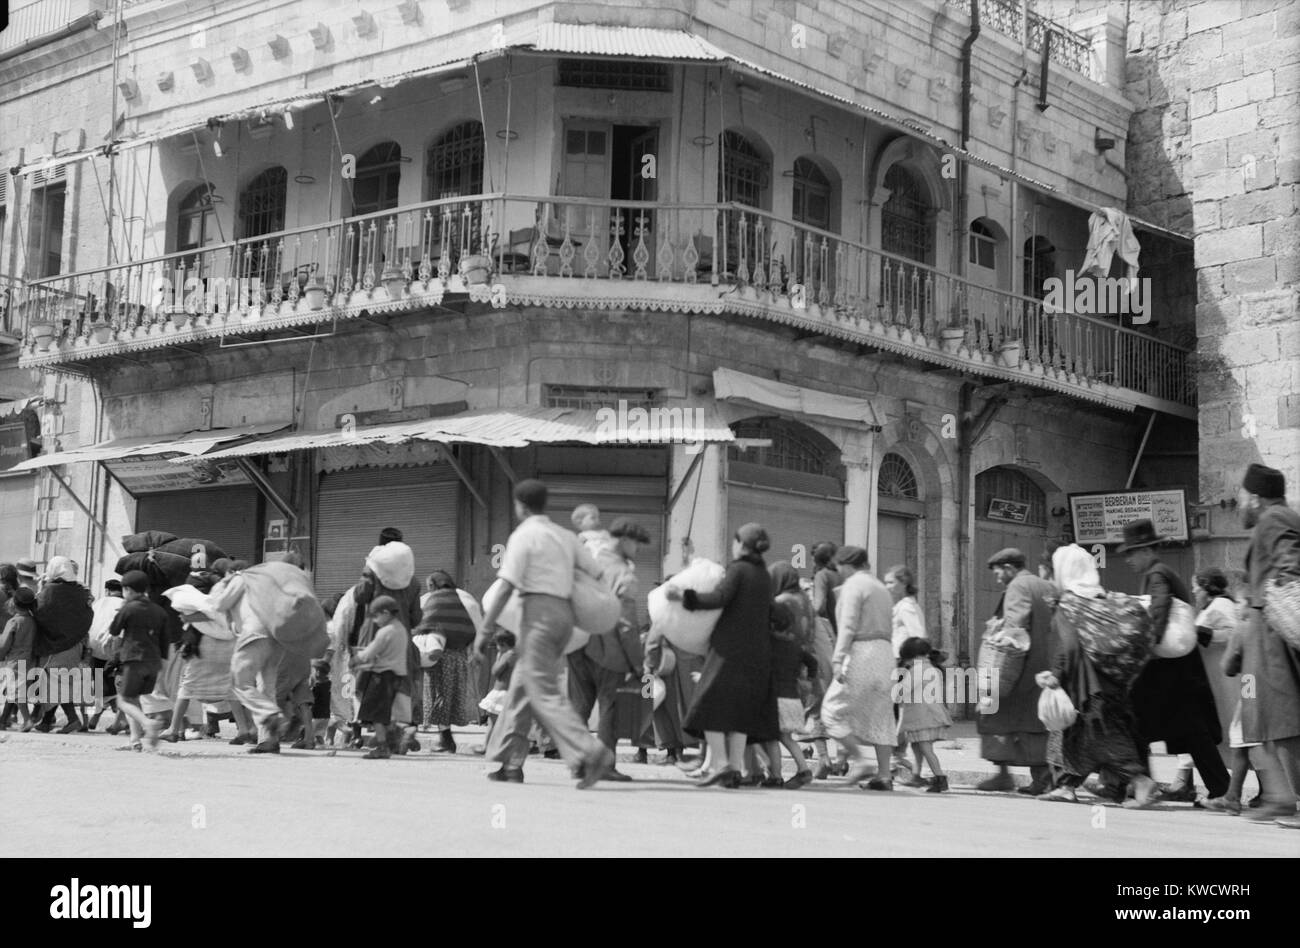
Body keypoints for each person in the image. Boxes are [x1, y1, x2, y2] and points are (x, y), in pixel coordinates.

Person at [477, 479, 615, 788]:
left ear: (520, 506)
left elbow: (506, 587)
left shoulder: (524, 536)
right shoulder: (566, 536)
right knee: (523, 688)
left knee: (543, 692)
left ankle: (590, 753)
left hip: (538, 617)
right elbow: (596, 572)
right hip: (565, 618)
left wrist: (485, 630)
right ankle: (511, 764)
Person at [1036, 544, 1160, 808]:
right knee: (1073, 737)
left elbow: (1068, 646)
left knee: (1102, 739)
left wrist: (1055, 675)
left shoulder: (1069, 603)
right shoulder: (1100, 598)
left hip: (1088, 687)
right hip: (1112, 683)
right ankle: (1066, 786)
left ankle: (1140, 781)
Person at [1120, 518, 1230, 803]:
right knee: (1190, 731)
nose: (1129, 559)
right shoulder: (1158, 572)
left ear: (1147, 550)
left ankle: (1143, 786)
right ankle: (1221, 789)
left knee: (1142, 723)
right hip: (1178, 671)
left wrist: (1147, 646)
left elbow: (1159, 608)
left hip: (1171, 672)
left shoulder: (1157, 574)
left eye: (1132, 552)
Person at [664, 524, 777, 789]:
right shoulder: (763, 575)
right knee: (740, 713)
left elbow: (720, 597)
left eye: (734, 542)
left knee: (708, 703)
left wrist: (684, 596)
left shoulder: (739, 569)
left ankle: (722, 765)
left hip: (731, 650)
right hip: (757, 652)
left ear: (740, 543)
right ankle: (735, 769)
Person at [1234, 463, 1300, 828]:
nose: (1238, 503)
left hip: (1273, 637)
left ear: (1255, 498)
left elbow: (1290, 562)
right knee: (1256, 715)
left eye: (1242, 497)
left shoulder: (1276, 519)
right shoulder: (1269, 521)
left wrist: (1286, 591)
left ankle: (1291, 798)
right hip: (1258, 641)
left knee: (1284, 718)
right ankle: (1280, 796)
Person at [976, 548, 1058, 795]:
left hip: (1017, 668)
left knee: (993, 713)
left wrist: (999, 638)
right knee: (1035, 723)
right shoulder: (1047, 586)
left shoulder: (1018, 587)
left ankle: (1003, 776)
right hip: (1044, 665)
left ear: (1010, 568)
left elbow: (1016, 629)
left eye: (999, 572)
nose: (997, 577)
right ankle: (1042, 779)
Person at [818, 545, 897, 790]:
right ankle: (884, 776)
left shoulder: (853, 586)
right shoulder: (881, 588)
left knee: (831, 712)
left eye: (839, 567)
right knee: (881, 716)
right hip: (885, 654)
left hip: (862, 652)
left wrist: (838, 658)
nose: (838, 572)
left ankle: (861, 762)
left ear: (847, 564)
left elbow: (848, 626)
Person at [414, 570, 482, 754]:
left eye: (430, 585)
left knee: (439, 696)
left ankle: (446, 739)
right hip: (459, 657)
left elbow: (425, 624)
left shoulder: (434, 600)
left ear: (434, 585)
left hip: (439, 658)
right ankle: (446, 737)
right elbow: (471, 628)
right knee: (452, 697)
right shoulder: (462, 598)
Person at [29, 557, 94, 733]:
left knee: (53, 683)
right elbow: (88, 615)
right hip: (75, 644)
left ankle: (72, 719)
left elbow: (40, 611)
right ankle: (46, 721)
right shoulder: (81, 591)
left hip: (56, 645)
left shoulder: (50, 590)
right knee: (59, 681)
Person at [106, 571, 167, 751]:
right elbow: (165, 641)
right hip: (154, 662)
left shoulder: (129, 608)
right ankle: (135, 740)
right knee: (134, 699)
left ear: (127, 590)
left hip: (134, 659)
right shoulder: (159, 611)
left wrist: (121, 611)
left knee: (123, 701)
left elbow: (114, 630)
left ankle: (148, 724)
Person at [769, 561, 817, 789]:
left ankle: (774, 773)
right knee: (785, 730)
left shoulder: (782, 602)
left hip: (781, 670)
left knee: (775, 731)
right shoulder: (805, 599)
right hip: (799, 662)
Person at [1192, 567, 1242, 769]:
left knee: (1238, 734)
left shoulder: (1221, 605)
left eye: (1195, 587)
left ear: (1206, 588)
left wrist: (1206, 634)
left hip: (1228, 681)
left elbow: (1234, 633)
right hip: (1217, 680)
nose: (1193, 592)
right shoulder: (1212, 606)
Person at [351, 595, 409, 760]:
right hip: (397, 675)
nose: (375, 620)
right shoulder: (401, 629)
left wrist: (356, 659)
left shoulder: (385, 632)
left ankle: (383, 746)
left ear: (385, 612)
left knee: (376, 714)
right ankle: (395, 734)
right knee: (384, 711)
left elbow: (370, 651)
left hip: (382, 676)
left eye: (376, 616)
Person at [885, 564, 926, 780]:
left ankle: (897, 758)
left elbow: (917, 635)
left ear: (904, 583)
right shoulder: (904, 605)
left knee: (899, 713)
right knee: (897, 712)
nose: (887, 586)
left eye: (891, 582)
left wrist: (909, 663)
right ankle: (897, 759)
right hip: (901, 663)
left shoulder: (906, 607)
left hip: (903, 663)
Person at [896, 636, 952, 792]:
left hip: (923, 717)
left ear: (913, 657)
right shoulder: (932, 668)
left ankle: (940, 778)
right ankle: (916, 776)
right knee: (917, 747)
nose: (906, 663)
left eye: (907, 660)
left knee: (926, 749)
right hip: (928, 716)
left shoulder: (918, 670)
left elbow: (904, 690)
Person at [808, 541, 844, 778]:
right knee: (840, 705)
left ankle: (823, 759)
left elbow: (819, 606)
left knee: (817, 702)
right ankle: (842, 759)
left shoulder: (822, 576)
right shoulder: (844, 577)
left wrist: (802, 603)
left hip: (824, 640)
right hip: (845, 645)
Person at [85, 579, 124, 733]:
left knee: (102, 685)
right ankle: (116, 717)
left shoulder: (98, 603)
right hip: (117, 650)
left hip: (96, 649)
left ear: (107, 590)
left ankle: (98, 716)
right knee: (115, 687)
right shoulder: (124, 604)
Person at [0, 586, 37, 730]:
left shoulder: (14, 622)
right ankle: (6, 719)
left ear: (14, 604)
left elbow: (4, 644)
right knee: (17, 691)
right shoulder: (33, 621)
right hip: (30, 661)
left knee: (16, 692)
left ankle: (27, 720)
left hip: (15, 661)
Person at [478, 629, 517, 747]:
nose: (497, 649)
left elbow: (495, 671)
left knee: (492, 722)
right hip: (513, 693)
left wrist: (498, 658)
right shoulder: (518, 655)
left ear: (503, 645)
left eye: (497, 646)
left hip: (501, 693)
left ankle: (487, 746)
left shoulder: (506, 656)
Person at [311, 659, 334, 747]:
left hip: (315, 715)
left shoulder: (316, 686)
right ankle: (321, 744)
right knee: (319, 734)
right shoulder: (330, 684)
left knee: (310, 731)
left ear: (318, 672)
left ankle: (307, 742)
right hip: (326, 715)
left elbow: (311, 699)